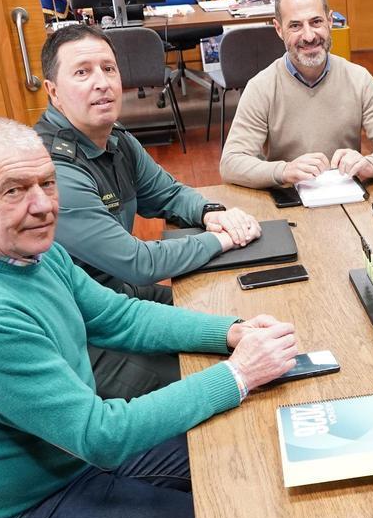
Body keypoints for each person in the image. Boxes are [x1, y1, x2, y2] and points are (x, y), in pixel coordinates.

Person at [0, 116, 300, 518]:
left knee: (244, 452)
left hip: (58, 457)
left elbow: (115, 315)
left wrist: (229, 332)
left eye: (47, 182)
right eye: (14, 190)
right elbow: (99, 436)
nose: (43, 205)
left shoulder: (26, 248)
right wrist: (237, 374)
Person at [36, 24, 261, 398]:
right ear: (53, 92)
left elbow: (167, 193)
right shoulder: (54, 170)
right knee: (212, 372)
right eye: (82, 72)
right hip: (82, 331)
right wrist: (219, 240)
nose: (101, 82)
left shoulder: (113, 137)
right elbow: (137, 262)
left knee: (236, 310)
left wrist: (209, 211)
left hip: (120, 298)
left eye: (108, 69)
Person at [219, 0, 373, 188]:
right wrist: (284, 170)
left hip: (346, 196)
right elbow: (231, 163)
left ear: (330, 21)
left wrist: (369, 164)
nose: (309, 36)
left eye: (316, 22)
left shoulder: (359, 79)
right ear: (278, 29)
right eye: (295, 26)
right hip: (288, 201)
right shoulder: (261, 87)